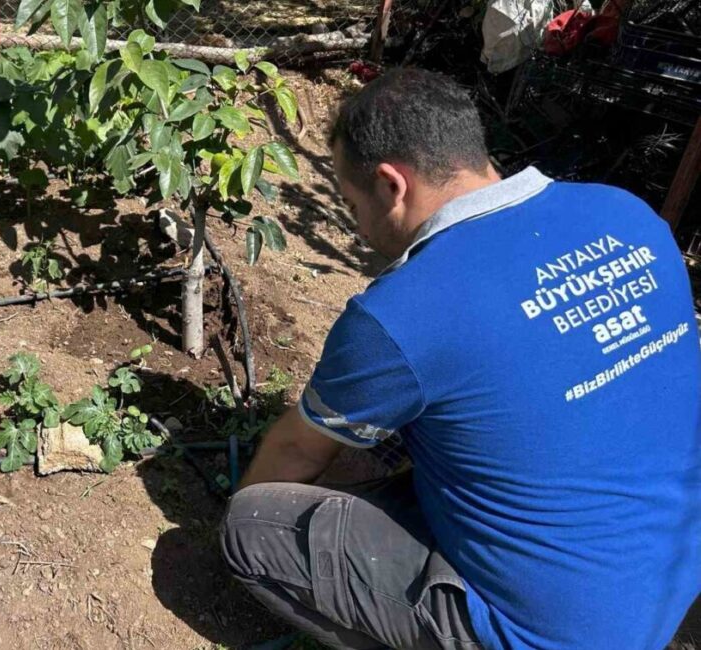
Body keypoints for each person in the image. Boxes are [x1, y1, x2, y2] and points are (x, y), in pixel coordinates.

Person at [220, 67, 701, 650]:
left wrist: (252, 502)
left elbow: (297, 452)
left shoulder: (403, 312)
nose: (359, 227)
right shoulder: (628, 216)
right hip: (662, 586)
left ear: (391, 185)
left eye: (351, 204)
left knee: (252, 528)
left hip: (552, 634)